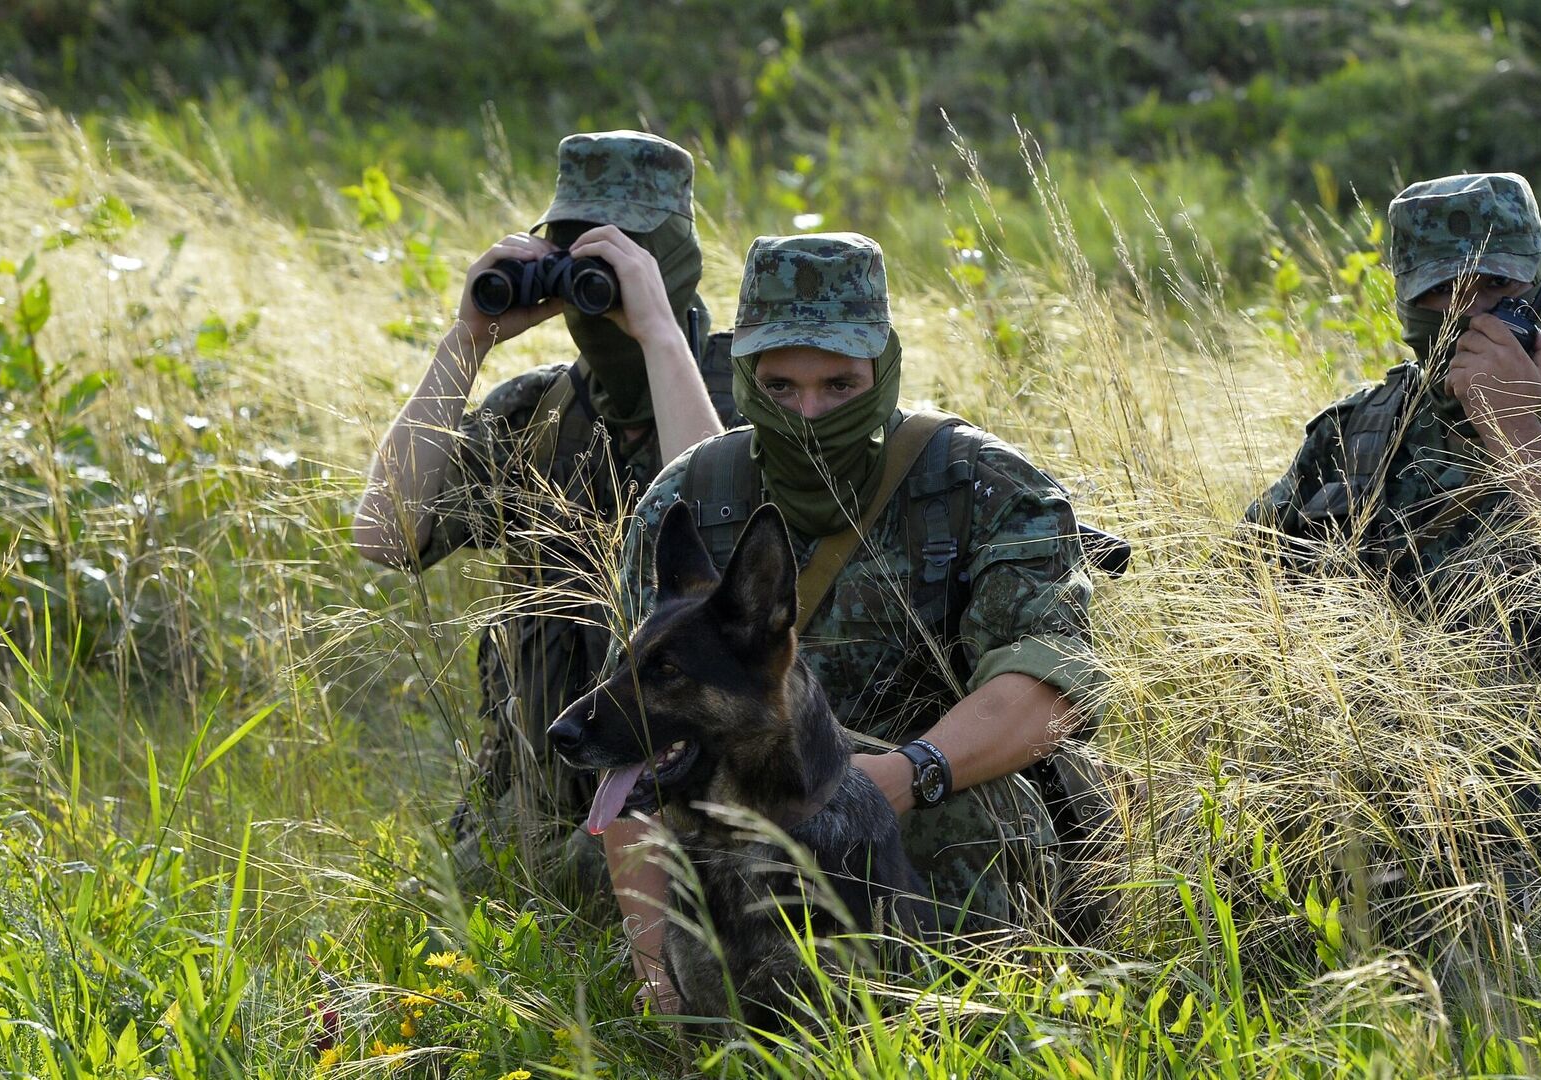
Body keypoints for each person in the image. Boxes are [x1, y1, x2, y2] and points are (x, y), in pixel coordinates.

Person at [599, 232, 1111, 1010]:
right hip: (755, 827)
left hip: (945, 808)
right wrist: (652, 960)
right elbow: (636, 745)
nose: (809, 412)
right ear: (743, 376)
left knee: (962, 821)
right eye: (780, 387)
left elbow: (1048, 687)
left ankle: (971, 1018)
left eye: (839, 386)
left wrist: (908, 777)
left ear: (884, 371)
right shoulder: (687, 500)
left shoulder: (983, 484)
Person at [1240, 172, 1541, 893]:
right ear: (1405, 302)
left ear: (1537, 283)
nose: (1467, 310)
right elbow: (1245, 597)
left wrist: (1516, 428)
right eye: (1439, 293)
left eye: (1492, 286)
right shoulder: (1359, 432)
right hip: (1389, 802)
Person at [352, 131, 735, 903]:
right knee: (415, 933)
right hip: (527, 806)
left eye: (624, 255)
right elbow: (384, 536)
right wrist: (467, 340)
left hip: (691, 810)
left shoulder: (747, 396)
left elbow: (725, 555)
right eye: (575, 252)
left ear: (672, 265)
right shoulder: (539, 413)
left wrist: (659, 331)